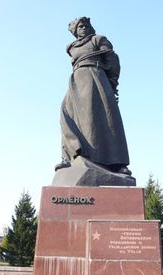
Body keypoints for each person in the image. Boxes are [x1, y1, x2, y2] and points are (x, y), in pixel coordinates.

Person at [55, 17, 131, 175]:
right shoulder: (71, 48)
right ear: (75, 32)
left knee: (104, 118)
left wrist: (112, 83)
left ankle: (116, 163)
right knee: (66, 113)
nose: (83, 28)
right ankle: (70, 156)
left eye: (85, 25)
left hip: (96, 78)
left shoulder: (98, 40)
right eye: (80, 27)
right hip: (76, 81)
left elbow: (113, 61)